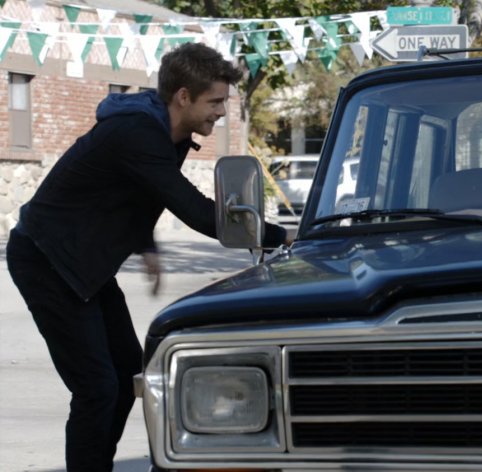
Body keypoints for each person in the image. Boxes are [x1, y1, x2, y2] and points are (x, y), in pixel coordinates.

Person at [5, 42, 287, 471]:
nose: (221, 112)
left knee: (126, 378)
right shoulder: (136, 133)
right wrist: (284, 236)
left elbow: (140, 192)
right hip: (47, 260)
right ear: (184, 96)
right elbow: (194, 211)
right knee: (97, 387)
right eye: (215, 102)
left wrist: (147, 244)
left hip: (85, 265)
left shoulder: (171, 137)